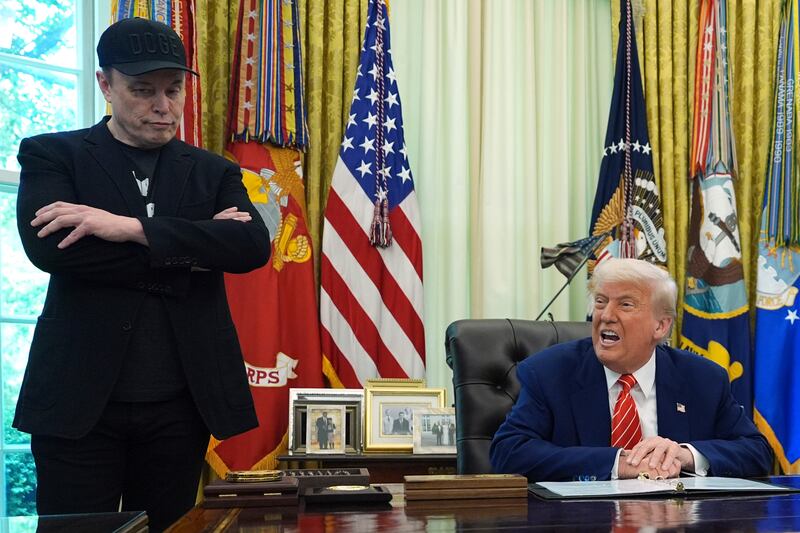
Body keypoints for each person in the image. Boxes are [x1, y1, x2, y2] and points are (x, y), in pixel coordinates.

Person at [13, 17, 270, 532]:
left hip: (181, 404)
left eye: (174, 90)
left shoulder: (214, 170)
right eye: (142, 90)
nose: (163, 105)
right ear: (105, 85)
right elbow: (55, 252)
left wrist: (126, 228)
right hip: (78, 402)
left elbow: (248, 247)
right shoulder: (52, 154)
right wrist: (192, 249)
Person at [490, 258, 772, 481]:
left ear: (660, 326)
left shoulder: (703, 379)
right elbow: (508, 452)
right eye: (600, 302)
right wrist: (619, 463)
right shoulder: (550, 372)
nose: (606, 315)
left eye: (625, 304)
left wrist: (685, 455)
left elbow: (757, 451)